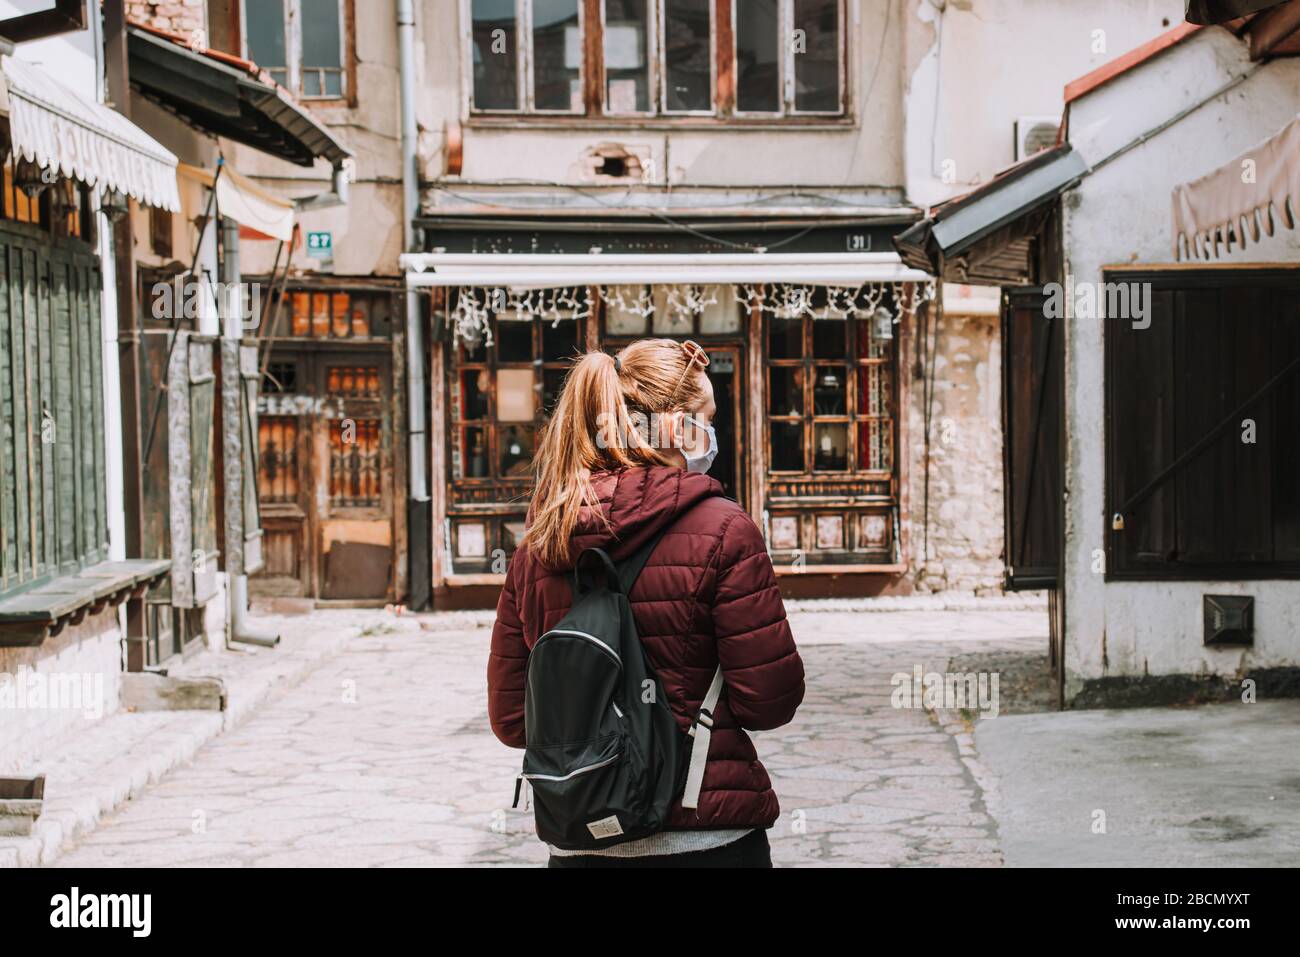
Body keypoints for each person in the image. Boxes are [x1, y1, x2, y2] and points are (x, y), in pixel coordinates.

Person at [488, 338, 805, 867]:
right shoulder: (724, 530)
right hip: (701, 832)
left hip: (580, 839)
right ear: (680, 428)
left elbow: (512, 720)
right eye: (707, 417)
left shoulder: (539, 546)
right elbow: (769, 701)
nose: (712, 433)